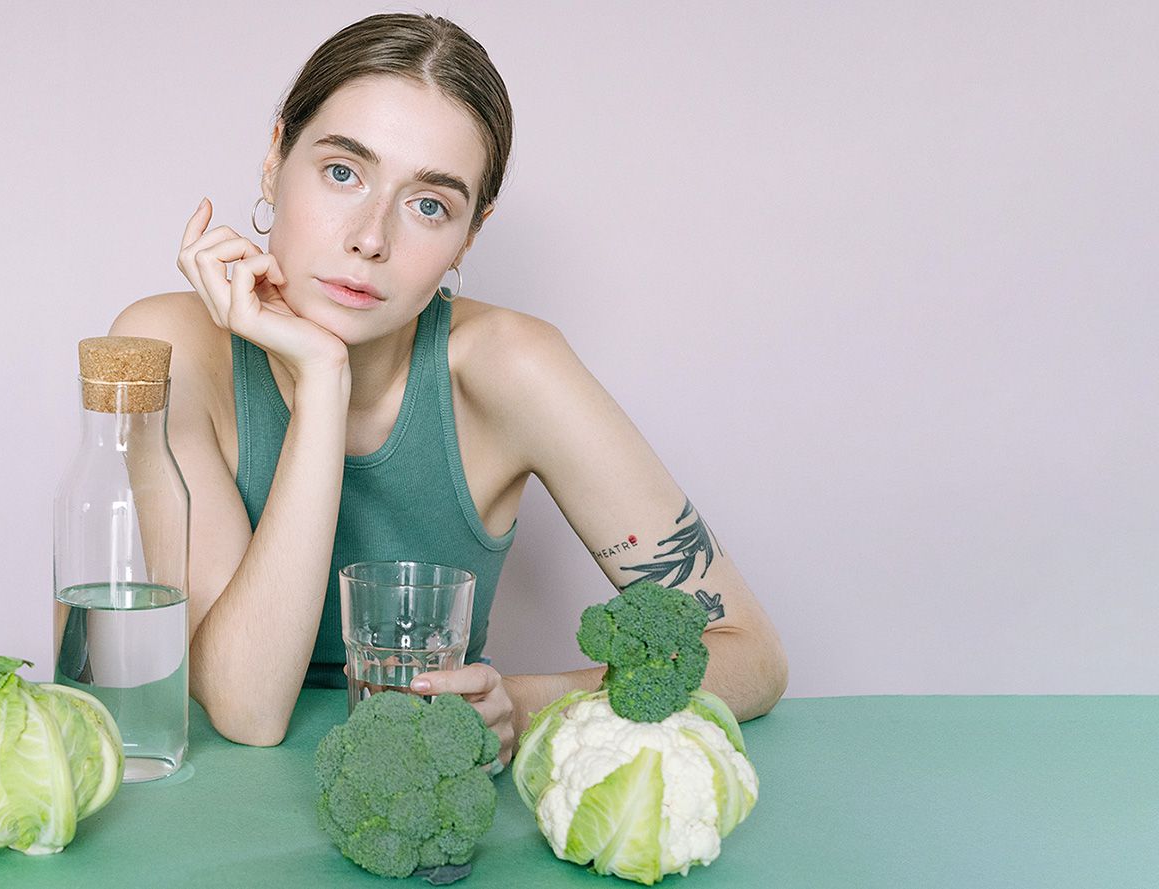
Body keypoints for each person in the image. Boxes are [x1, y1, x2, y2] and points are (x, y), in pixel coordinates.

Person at [108, 13, 788, 768]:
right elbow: (248, 704)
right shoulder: (167, 353)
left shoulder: (513, 366)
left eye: (429, 203)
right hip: (228, 800)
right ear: (275, 159)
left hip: (433, 794)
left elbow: (751, 653)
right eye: (343, 172)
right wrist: (323, 378)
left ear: (471, 234)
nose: (371, 238)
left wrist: (525, 705)